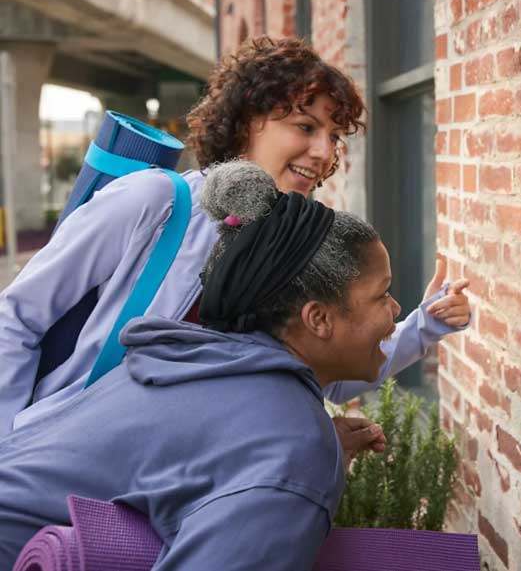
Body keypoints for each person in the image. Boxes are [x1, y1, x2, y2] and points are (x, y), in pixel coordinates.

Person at [0, 36, 469, 438]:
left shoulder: (292, 250)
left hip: (169, 490)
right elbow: (18, 318)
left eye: (335, 136)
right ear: (246, 122)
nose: (326, 153)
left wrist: (424, 326)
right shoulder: (155, 203)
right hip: (64, 463)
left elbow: (323, 371)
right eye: (305, 127)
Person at [0, 161, 441, 568]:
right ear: (319, 319)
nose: (396, 308)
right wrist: (295, 474)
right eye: (381, 295)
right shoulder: (290, 447)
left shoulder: (194, 361)